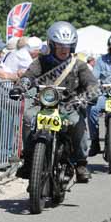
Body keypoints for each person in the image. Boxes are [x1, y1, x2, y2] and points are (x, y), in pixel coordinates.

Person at [9, 21, 97, 183]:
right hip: (43, 105)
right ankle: (28, 159)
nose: (64, 49)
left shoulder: (79, 65)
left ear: (73, 46)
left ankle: (80, 163)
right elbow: (29, 76)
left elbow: (91, 83)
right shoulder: (41, 62)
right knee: (28, 117)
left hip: (69, 106)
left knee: (76, 122)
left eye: (68, 46)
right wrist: (20, 87)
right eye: (59, 45)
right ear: (51, 44)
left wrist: (89, 95)